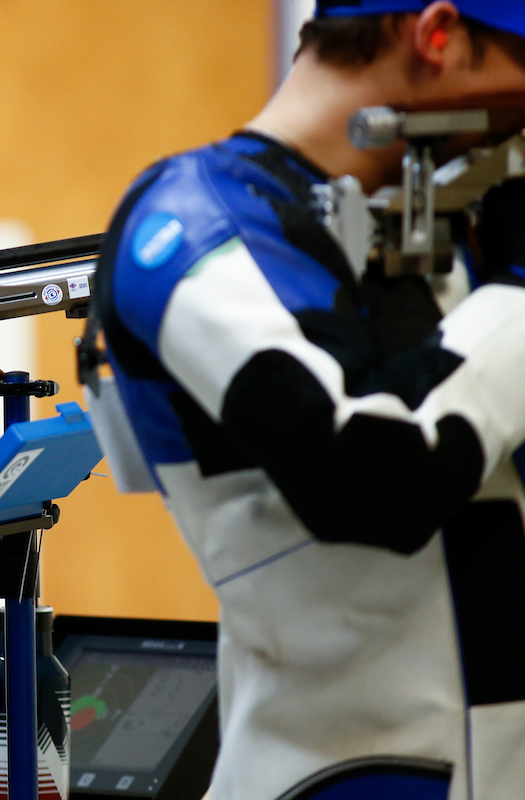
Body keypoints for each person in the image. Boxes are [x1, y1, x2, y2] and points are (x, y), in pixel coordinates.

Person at [89, 3, 525, 798]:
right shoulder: (194, 226)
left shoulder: (459, 222)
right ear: (439, 37)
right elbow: (375, 479)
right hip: (339, 773)